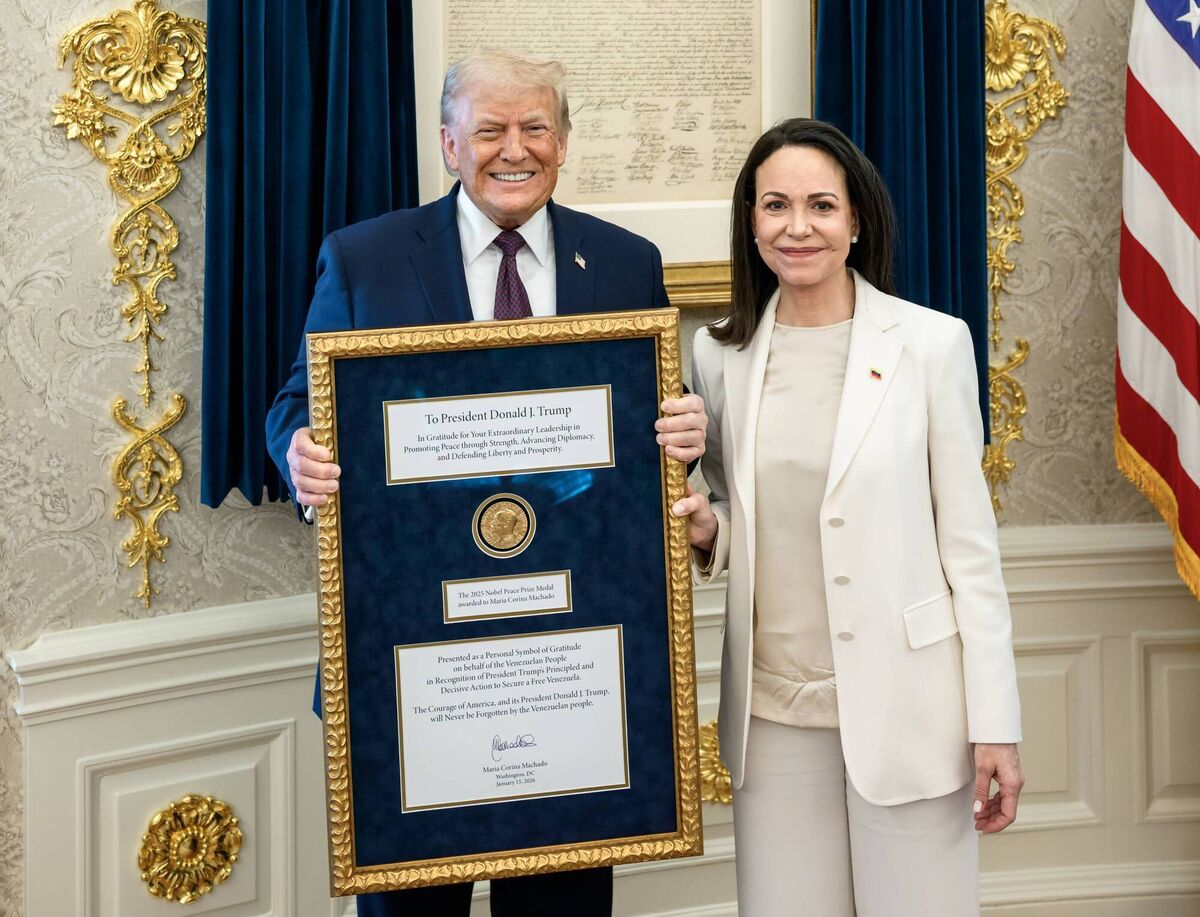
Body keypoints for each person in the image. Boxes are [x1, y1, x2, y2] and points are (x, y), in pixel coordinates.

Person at [264, 50, 707, 917]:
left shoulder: (624, 262)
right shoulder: (366, 257)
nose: (516, 149)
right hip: (412, 650)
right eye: (492, 129)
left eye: (536, 127)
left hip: (573, 650)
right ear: (448, 143)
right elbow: (295, 403)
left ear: (564, 141)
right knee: (410, 905)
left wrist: (683, 435)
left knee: (562, 901)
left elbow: (642, 437)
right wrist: (300, 451)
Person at [671, 118, 1024, 915]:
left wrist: (995, 724)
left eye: (822, 206)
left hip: (912, 709)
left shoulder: (931, 345)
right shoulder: (718, 356)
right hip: (772, 714)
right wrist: (706, 530)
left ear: (857, 220)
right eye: (775, 206)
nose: (798, 227)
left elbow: (970, 550)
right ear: (751, 222)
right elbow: (731, 504)